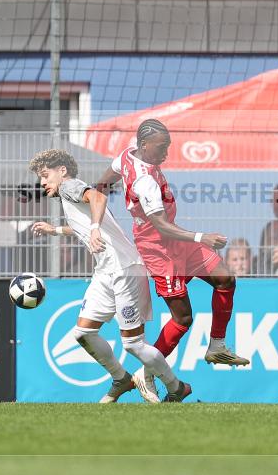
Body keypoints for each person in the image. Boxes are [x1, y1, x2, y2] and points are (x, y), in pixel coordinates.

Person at [29, 149, 191, 403]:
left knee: (133, 344)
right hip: (105, 271)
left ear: (62, 171)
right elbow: (87, 222)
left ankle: (176, 386)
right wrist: (56, 230)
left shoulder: (70, 185)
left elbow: (98, 198)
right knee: (83, 333)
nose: (42, 182)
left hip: (123, 268)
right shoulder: (70, 196)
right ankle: (121, 379)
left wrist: (94, 229)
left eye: (45, 175)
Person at [96, 119, 249, 366]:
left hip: (177, 240)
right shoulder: (145, 182)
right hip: (159, 249)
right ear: (144, 145)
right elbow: (161, 226)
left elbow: (105, 181)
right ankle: (147, 374)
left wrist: (95, 193)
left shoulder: (127, 155)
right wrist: (203, 237)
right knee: (183, 318)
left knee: (226, 279)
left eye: (168, 147)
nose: (166, 153)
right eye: (161, 148)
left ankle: (217, 346)